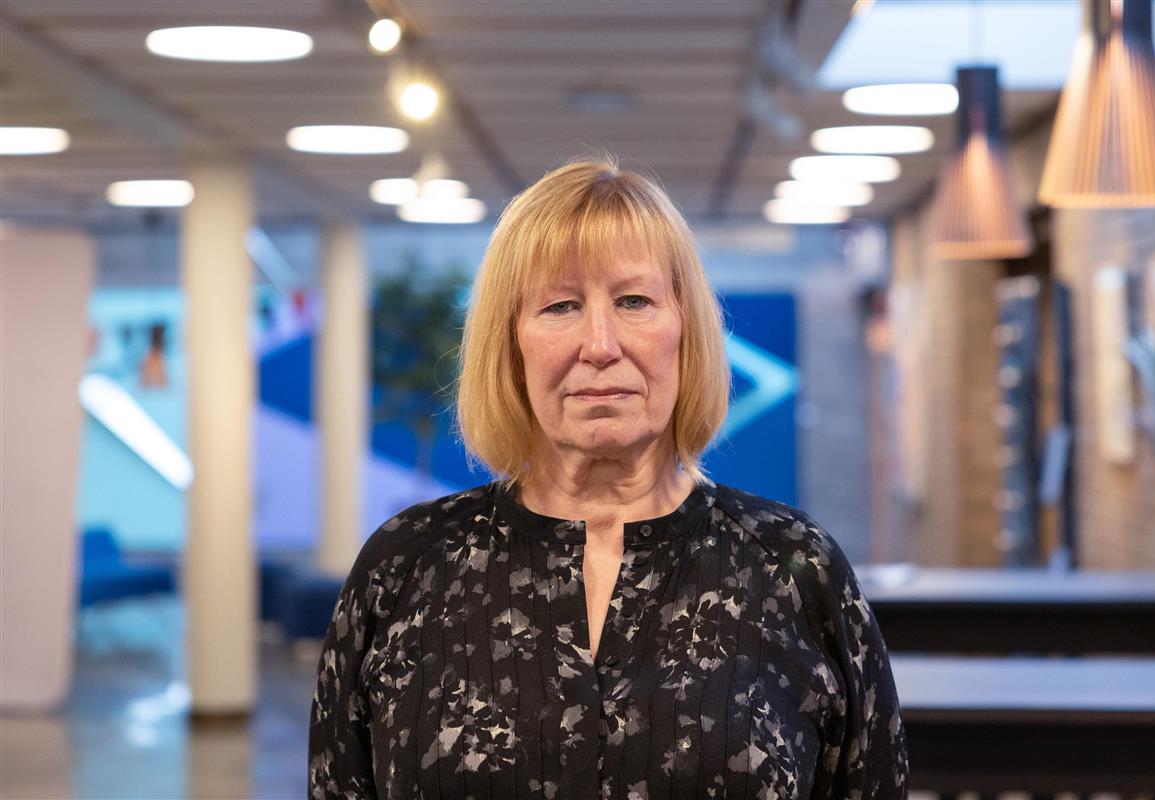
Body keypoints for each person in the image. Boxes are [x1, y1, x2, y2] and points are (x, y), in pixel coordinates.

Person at [308, 156, 909, 799]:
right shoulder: (406, 567)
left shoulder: (795, 569)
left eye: (634, 301)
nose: (599, 345)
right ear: (511, 345)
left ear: (685, 332)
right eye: (560, 306)